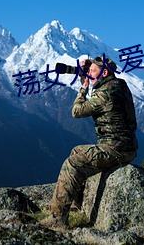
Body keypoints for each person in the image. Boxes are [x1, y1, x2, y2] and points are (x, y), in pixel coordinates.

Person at [40, 56, 138, 228]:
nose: (89, 74)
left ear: (105, 73)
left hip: (115, 148)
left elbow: (76, 112)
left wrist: (83, 88)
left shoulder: (105, 94)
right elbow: (100, 70)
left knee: (73, 163)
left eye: (93, 72)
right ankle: (77, 204)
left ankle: (57, 219)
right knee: (77, 151)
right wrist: (90, 68)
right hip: (126, 146)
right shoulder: (119, 85)